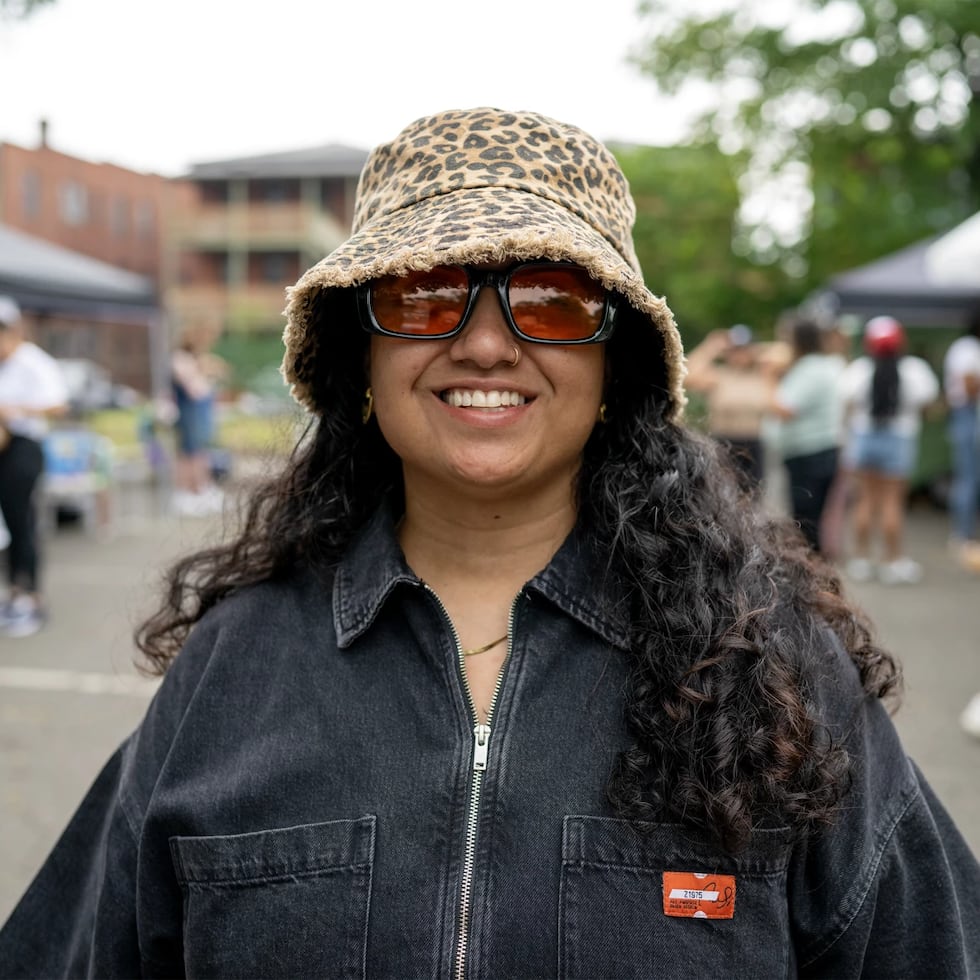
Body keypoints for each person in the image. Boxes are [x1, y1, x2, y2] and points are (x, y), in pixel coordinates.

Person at [0, 107, 977, 978]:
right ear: (361, 357)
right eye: (425, 294)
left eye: (550, 298)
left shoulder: (775, 669)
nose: (482, 342)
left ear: (613, 366)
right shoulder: (231, 670)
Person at [839, 316, 939, 585]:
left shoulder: (859, 369)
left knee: (866, 501)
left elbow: (846, 404)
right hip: (899, 437)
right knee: (892, 502)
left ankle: (861, 559)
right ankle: (893, 561)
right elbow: (928, 403)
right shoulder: (915, 370)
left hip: (864, 436)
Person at [0, 296, 69, 638]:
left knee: (22, 522)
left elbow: (58, 405)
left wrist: (16, 410)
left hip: (24, 448)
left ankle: (32, 596)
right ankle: (14, 592)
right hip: (5, 447)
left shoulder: (34, 363)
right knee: (10, 525)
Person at [770, 315, 843, 554]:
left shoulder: (810, 369)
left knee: (805, 521)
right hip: (816, 452)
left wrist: (767, 376)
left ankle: (809, 572)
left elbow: (786, 408)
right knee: (809, 518)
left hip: (809, 454)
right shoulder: (819, 365)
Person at [683, 324, 775, 492]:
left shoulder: (763, 374)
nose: (739, 355)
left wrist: (757, 351)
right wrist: (711, 347)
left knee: (753, 497)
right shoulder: (719, 376)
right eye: (735, 350)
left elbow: (787, 352)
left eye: (744, 349)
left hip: (753, 444)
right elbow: (685, 374)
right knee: (721, 494)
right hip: (723, 444)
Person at [170, 318, 228, 516]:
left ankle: (201, 489)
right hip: (189, 415)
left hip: (199, 415)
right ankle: (186, 493)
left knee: (200, 453)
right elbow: (196, 390)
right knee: (189, 455)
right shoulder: (180, 359)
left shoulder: (195, 359)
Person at [943, 306, 980, 567]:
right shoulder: (966, 347)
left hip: (967, 414)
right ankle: (962, 534)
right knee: (968, 477)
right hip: (967, 414)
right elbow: (969, 386)